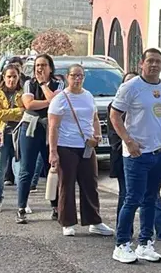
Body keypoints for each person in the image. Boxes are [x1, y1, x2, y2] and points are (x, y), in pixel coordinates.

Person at [109, 48, 161, 264]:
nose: (154, 65)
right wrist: (128, 141)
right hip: (136, 154)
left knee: (151, 199)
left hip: (159, 154)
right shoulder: (130, 87)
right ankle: (122, 244)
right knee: (133, 199)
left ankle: (145, 243)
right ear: (141, 64)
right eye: (150, 61)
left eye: (158, 61)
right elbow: (115, 115)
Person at [47, 63, 114, 237]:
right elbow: (53, 127)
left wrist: (97, 135)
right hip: (66, 146)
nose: (77, 79)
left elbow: (94, 118)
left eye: (80, 76)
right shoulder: (60, 99)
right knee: (67, 184)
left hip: (86, 146)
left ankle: (94, 221)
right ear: (67, 77)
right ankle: (67, 222)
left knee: (90, 183)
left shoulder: (88, 96)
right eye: (73, 76)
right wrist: (53, 151)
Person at [17, 54, 60, 224]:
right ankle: (21, 207)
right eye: (37, 65)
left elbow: (56, 101)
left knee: (52, 167)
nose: (40, 69)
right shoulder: (29, 83)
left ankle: (56, 207)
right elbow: (29, 104)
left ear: (50, 68)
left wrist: (43, 86)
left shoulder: (59, 83)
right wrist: (49, 101)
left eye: (43, 65)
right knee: (26, 168)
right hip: (31, 127)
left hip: (51, 128)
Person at [0, 65, 25, 213]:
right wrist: (17, 111)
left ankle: (23, 201)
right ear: (3, 77)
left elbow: (26, 111)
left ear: (19, 77)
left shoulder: (23, 92)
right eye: (9, 76)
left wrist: (10, 113)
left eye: (14, 76)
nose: (11, 79)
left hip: (19, 133)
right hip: (0, 133)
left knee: (20, 169)